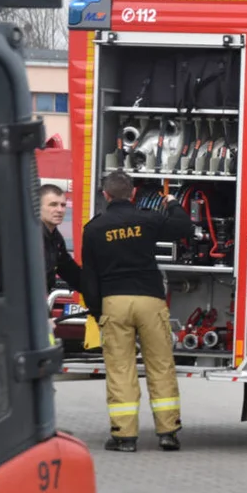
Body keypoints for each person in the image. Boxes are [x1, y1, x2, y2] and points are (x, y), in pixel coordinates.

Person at [80, 170, 194, 452]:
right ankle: (168, 433)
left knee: (120, 369)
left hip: (114, 303)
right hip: (150, 300)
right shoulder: (147, 218)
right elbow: (183, 228)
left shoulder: (94, 229)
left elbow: (90, 279)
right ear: (132, 193)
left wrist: (97, 312)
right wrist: (172, 203)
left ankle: (124, 437)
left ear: (105, 195)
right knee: (160, 366)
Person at [40, 184, 82, 294]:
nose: (60, 210)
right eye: (53, 205)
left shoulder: (56, 239)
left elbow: (71, 273)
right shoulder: (30, 237)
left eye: (63, 205)